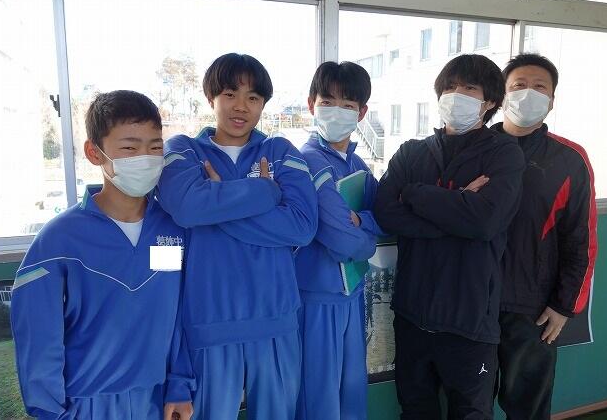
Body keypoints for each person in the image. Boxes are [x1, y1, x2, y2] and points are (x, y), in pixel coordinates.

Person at [10, 90, 193, 420]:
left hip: (157, 401)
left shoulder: (172, 229)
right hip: (86, 405)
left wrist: (179, 385)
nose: (146, 158)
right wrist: (53, 413)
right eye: (129, 148)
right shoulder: (59, 240)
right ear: (94, 152)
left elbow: (178, 312)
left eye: (155, 147)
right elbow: (39, 337)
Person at [157, 53, 318, 420]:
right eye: (230, 94)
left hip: (276, 321)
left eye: (253, 97)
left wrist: (217, 206)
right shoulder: (183, 150)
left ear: (263, 104)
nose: (241, 106)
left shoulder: (280, 152)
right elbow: (186, 208)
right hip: (208, 325)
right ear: (211, 97)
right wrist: (265, 192)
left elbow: (302, 226)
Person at [373, 54, 525, 419]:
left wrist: (415, 194)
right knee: (415, 410)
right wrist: (457, 209)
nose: (456, 95)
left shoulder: (504, 153)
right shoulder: (412, 152)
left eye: (469, 88)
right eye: (450, 87)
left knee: (471, 413)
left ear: (489, 101)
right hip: (412, 313)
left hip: (469, 320)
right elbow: (386, 213)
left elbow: (485, 221)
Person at [491, 53, 598, 419]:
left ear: (552, 101)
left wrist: (564, 306)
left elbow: (581, 240)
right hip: (473, 302)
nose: (529, 94)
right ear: (502, 95)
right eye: (519, 85)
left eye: (540, 87)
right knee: (469, 404)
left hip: (533, 310)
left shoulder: (569, 159)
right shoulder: (474, 148)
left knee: (528, 408)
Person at [294, 61, 383, 420]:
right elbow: (343, 241)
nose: (337, 111)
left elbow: (386, 214)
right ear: (311, 104)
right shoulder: (307, 162)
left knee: (352, 392)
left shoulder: (358, 164)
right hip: (316, 299)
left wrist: (364, 221)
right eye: (327, 101)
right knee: (318, 397)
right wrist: (369, 241)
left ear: (361, 112)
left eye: (347, 105)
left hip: (352, 294)